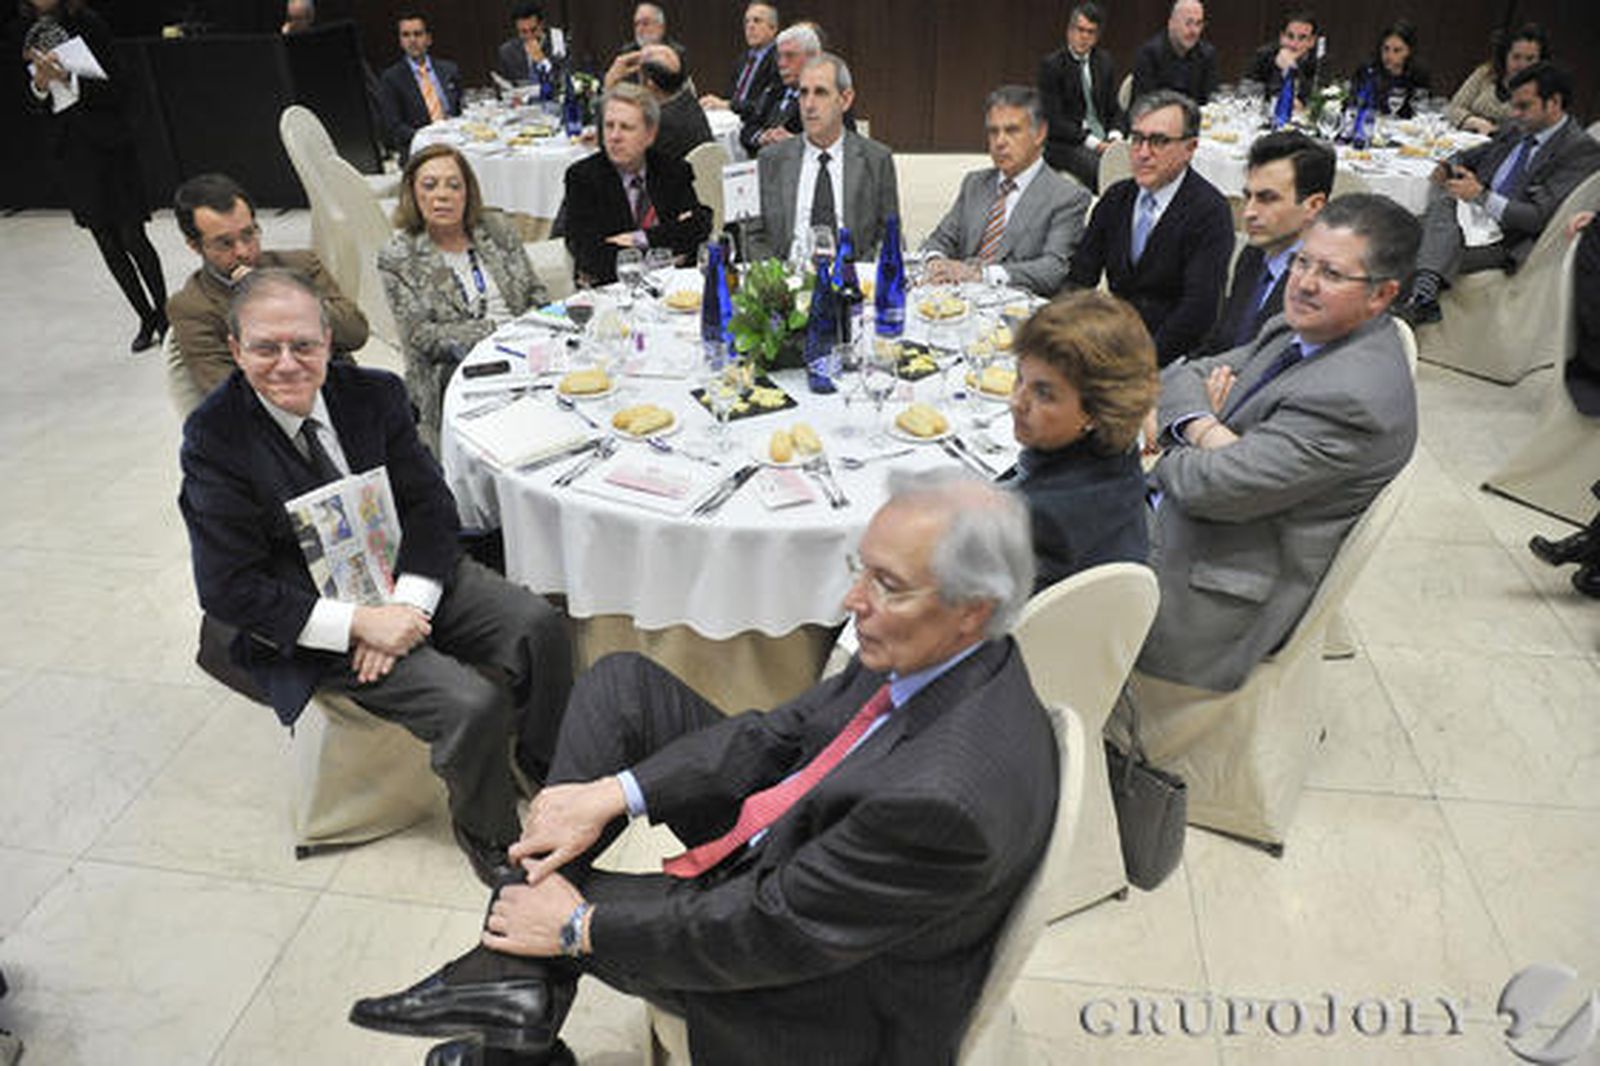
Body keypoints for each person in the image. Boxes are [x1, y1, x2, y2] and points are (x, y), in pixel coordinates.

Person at [348, 469, 1059, 1066]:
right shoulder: (944, 652)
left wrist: (578, 926)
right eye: (860, 569)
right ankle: (518, 992)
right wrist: (613, 794)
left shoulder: (940, 801)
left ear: (974, 609)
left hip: (815, 994)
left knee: (539, 896)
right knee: (621, 685)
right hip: (802, 842)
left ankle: (513, 1008)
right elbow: (786, 731)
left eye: (887, 583)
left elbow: (766, 930)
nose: (853, 601)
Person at [178, 269, 573, 886]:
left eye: (303, 345)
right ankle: (490, 833)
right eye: (265, 347)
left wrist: (408, 607)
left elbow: (429, 506)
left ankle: (545, 763)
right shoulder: (213, 437)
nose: (287, 364)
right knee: (471, 703)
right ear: (235, 349)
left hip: (404, 574)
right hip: (313, 613)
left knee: (539, 625)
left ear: (329, 340)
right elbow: (229, 587)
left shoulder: (374, 395)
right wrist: (362, 625)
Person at [1137, 194, 1421, 692]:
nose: (1304, 284)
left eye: (1331, 274)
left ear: (1381, 295)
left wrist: (1165, 447)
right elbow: (1194, 372)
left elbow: (1214, 488)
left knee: (1029, 547)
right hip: (1212, 516)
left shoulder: (1353, 398)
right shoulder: (1303, 326)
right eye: (1301, 262)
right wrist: (1208, 427)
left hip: (1213, 586)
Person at [378, 145, 549, 455]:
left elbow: (535, 294)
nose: (442, 195)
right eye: (429, 186)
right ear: (413, 194)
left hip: (526, 355)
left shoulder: (496, 230)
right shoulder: (399, 256)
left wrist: (536, 331)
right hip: (454, 373)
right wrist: (497, 330)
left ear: (468, 192)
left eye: (454, 185)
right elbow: (422, 337)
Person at [1400, 63, 1600, 327]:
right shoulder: (1518, 128)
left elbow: (1537, 217)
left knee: (1409, 242)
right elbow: (1474, 154)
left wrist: (1481, 196)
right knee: (1397, 229)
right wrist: (1449, 164)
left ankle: (1403, 310)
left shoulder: (1579, 150)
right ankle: (1420, 301)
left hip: (1507, 239)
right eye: (1514, 105)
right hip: (1467, 217)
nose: (1514, 114)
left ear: (1554, 103)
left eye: (1524, 106)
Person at [21, 0, 168, 352]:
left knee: (132, 233)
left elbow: (118, 85)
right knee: (106, 239)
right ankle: (144, 316)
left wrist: (67, 77)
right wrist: (40, 85)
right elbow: (29, 100)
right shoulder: (20, 31)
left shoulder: (86, 22)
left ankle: (164, 313)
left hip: (108, 141)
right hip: (69, 150)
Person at [1003, 293, 1158, 590]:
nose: (1016, 402)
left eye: (1044, 393)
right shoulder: (1120, 454)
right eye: (1019, 378)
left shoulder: (1039, 516)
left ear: (1098, 410)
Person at [1066, 90, 1232, 366]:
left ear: (1190, 148)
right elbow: (1080, 276)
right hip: (1113, 341)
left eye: (1159, 141)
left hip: (1174, 360)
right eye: (1138, 139)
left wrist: (1139, 364)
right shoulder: (1117, 198)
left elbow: (1198, 312)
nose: (1143, 153)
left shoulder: (1210, 212)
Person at [168, 173, 368, 400]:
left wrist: (284, 296)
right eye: (225, 243)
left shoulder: (301, 264)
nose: (243, 251)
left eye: (249, 234)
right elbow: (228, 395)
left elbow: (355, 333)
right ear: (195, 246)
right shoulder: (193, 307)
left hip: (346, 397)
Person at [921, 85, 1090, 297]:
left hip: (1019, 315)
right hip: (958, 306)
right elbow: (940, 239)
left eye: (1012, 131)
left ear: (1039, 134)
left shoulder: (1067, 196)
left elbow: (1053, 269)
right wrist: (936, 261)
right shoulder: (975, 183)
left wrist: (981, 275)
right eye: (993, 132)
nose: (1000, 142)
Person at [746, 53, 900, 262]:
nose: (809, 104)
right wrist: (778, 281)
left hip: (853, 283)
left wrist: (854, 277)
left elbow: (888, 237)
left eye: (820, 93)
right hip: (787, 283)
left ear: (845, 100)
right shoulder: (771, 160)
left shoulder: (876, 159)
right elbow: (753, 237)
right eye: (803, 93)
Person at [561, 83, 712, 289]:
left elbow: (699, 227)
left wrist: (639, 239)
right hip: (613, 293)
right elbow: (591, 256)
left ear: (650, 134)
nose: (614, 137)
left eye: (626, 127)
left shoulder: (672, 170)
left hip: (675, 289)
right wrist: (668, 248)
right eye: (609, 126)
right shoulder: (583, 178)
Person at [1199, 130, 1333, 356]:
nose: (1249, 212)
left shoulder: (1322, 287)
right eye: (1247, 196)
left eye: (1267, 199)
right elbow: (1220, 342)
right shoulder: (1253, 255)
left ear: (1314, 206)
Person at [1037, 2, 1124, 193]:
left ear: (1097, 36)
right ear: (1069, 31)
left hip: (1104, 139)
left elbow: (1113, 108)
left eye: (1090, 32)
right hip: (1066, 143)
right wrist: (1094, 143)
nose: (1084, 37)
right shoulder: (1052, 66)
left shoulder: (1104, 62)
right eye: (1080, 30)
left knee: (1136, 164)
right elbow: (1055, 121)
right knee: (1101, 171)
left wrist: (1115, 136)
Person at [603, 43, 711, 163]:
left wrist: (609, 85)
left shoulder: (656, 124)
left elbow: (614, 161)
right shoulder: (688, 101)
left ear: (650, 83)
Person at [379, 14, 462, 162]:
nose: (412, 40)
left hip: (456, 144)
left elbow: (462, 108)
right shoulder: (391, 78)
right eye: (406, 35)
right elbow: (394, 126)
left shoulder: (449, 70)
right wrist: (428, 139)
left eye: (417, 34)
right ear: (401, 41)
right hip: (419, 150)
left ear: (428, 39)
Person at [1447, 23, 1547, 136]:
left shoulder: (1542, 90)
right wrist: (1475, 122)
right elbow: (1454, 108)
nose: (1522, 65)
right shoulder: (1486, 73)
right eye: (1516, 57)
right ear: (1505, 56)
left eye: (1530, 59)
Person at [737, 22, 819, 157]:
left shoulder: (829, 96)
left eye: (790, 56)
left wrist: (793, 142)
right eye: (779, 56)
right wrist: (762, 137)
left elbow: (842, 147)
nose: (781, 63)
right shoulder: (774, 90)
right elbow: (747, 129)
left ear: (812, 57)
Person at [700, 3, 781, 121]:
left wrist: (727, 105)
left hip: (755, 121)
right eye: (746, 22)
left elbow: (764, 105)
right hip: (731, 118)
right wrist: (714, 102)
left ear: (773, 28)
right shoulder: (743, 59)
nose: (750, 26)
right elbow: (730, 96)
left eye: (757, 21)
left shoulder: (779, 58)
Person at [1132, 0, 1216, 106]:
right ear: (1171, 24)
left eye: (1199, 24)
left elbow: (1210, 102)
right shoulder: (1148, 55)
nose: (1194, 31)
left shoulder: (1207, 55)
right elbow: (1143, 106)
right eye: (1188, 23)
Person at [1351, 19, 1430, 120]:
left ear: (1409, 52)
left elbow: (1421, 108)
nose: (1389, 56)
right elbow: (1354, 103)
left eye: (1397, 51)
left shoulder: (1419, 74)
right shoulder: (1368, 70)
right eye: (1386, 49)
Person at [1244, 9, 1319, 108]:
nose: (1294, 44)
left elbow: (1313, 104)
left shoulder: (1319, 63)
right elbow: (1246, 95)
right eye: (1290, 36)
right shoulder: (1264, 55)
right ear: (1281, 37)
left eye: (1302, 38)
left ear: (1312, 42)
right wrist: (1281, 69)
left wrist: (1292, 68)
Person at [495, 3, 562, 89]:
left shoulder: (557, 41)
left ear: (541, 25)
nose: (529, 36)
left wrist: (542, 61)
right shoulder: (507, 52)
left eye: (533, 30)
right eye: (523, 31)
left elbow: (562, 81)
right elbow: (504, 86)